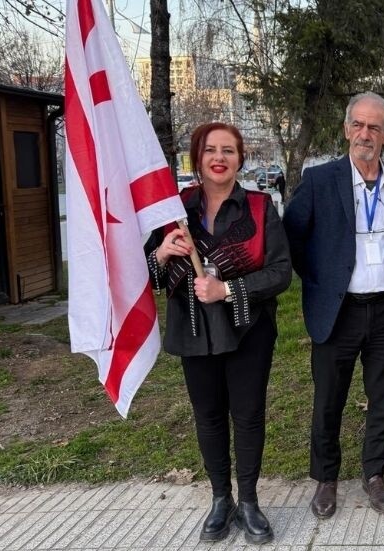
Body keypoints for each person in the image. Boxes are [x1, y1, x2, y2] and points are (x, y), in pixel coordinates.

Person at [146, 122, 292, 545]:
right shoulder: (174, 209)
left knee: (247, 416)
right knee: (208, 416)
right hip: (194, 329)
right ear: (198, 155)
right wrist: (162, 251)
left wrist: (227, 288)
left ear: (240, 159)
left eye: (229, 150)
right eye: (211, 149)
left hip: (248, 329)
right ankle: (220, 498)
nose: (220, 158)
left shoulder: (261, 208)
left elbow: (281, 271)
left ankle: (248, 501)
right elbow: (149, 272)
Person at [283, 92, 384, 519]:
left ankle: (374, 474)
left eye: (375, 127)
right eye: (358, 124)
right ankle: (326, 478)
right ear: (346, 129)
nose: (365, 134)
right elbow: (293, 238)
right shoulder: (320, 181)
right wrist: (321, 281)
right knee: (329, 399)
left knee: (382, 397)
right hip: (337, 311)